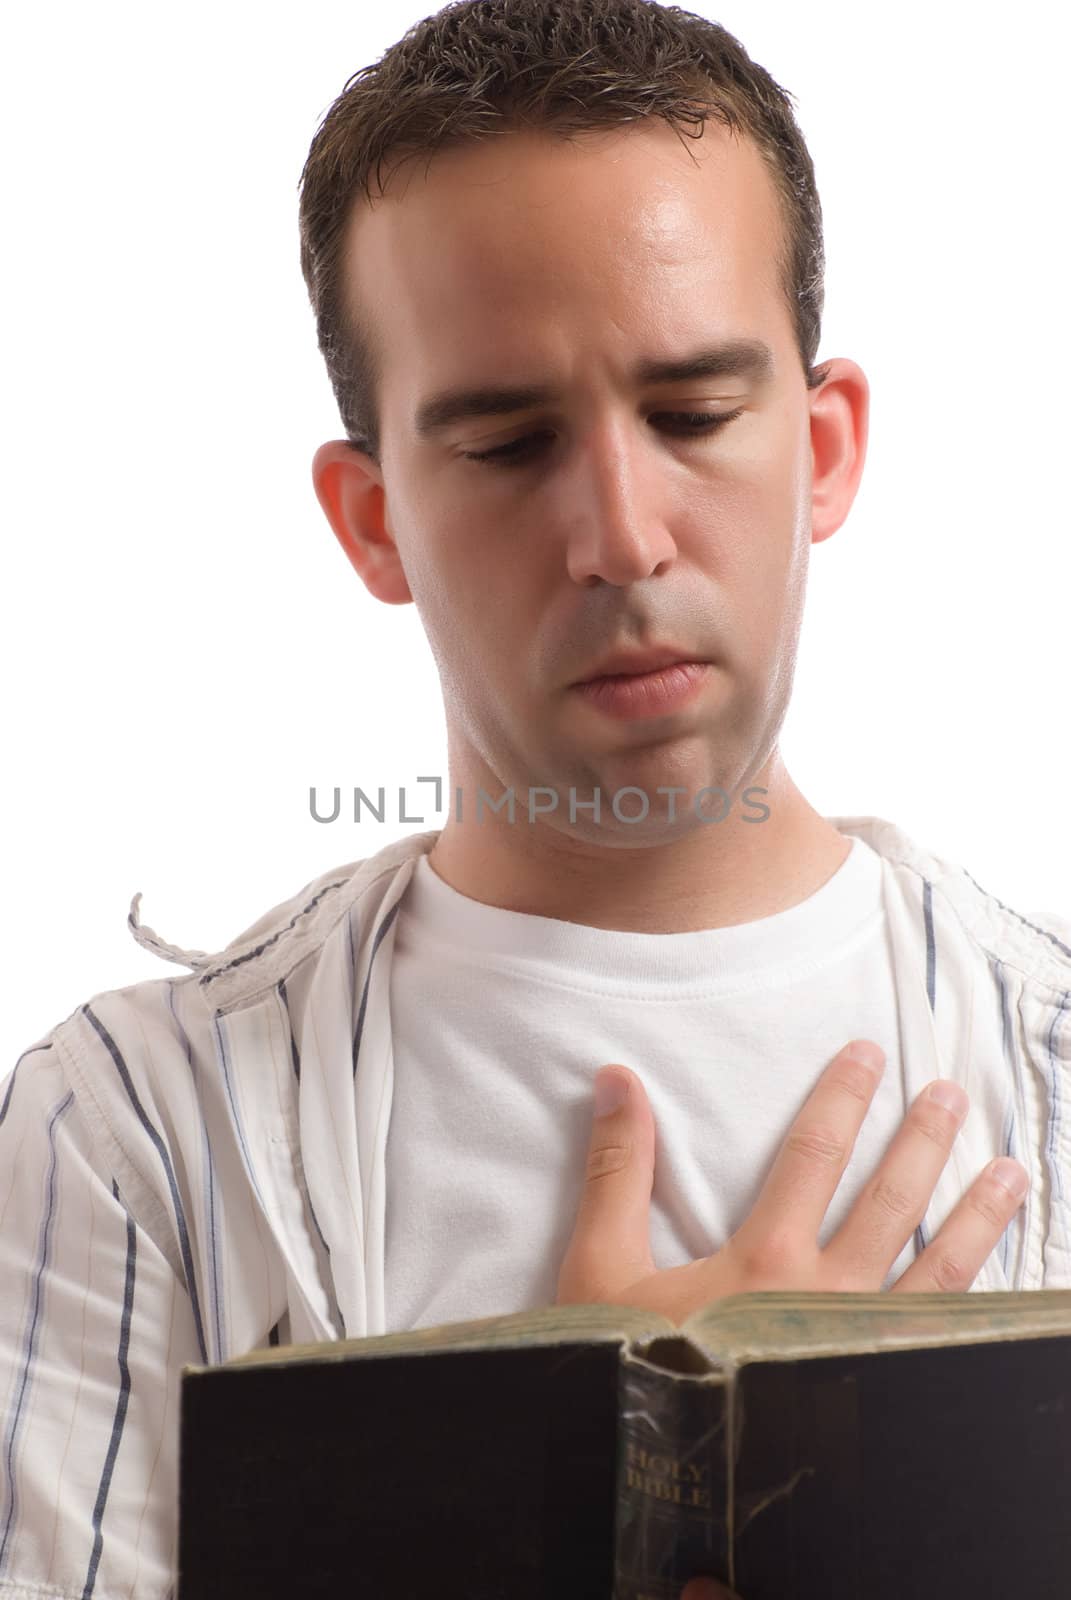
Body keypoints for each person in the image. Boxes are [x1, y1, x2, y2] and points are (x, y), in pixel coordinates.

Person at [2, 2, 1069, 1597]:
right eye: (508, 445)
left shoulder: (1050, 1075)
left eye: (697, 416)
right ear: (371, 522)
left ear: (827, 445)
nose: (624, 536)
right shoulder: (138, 1138)